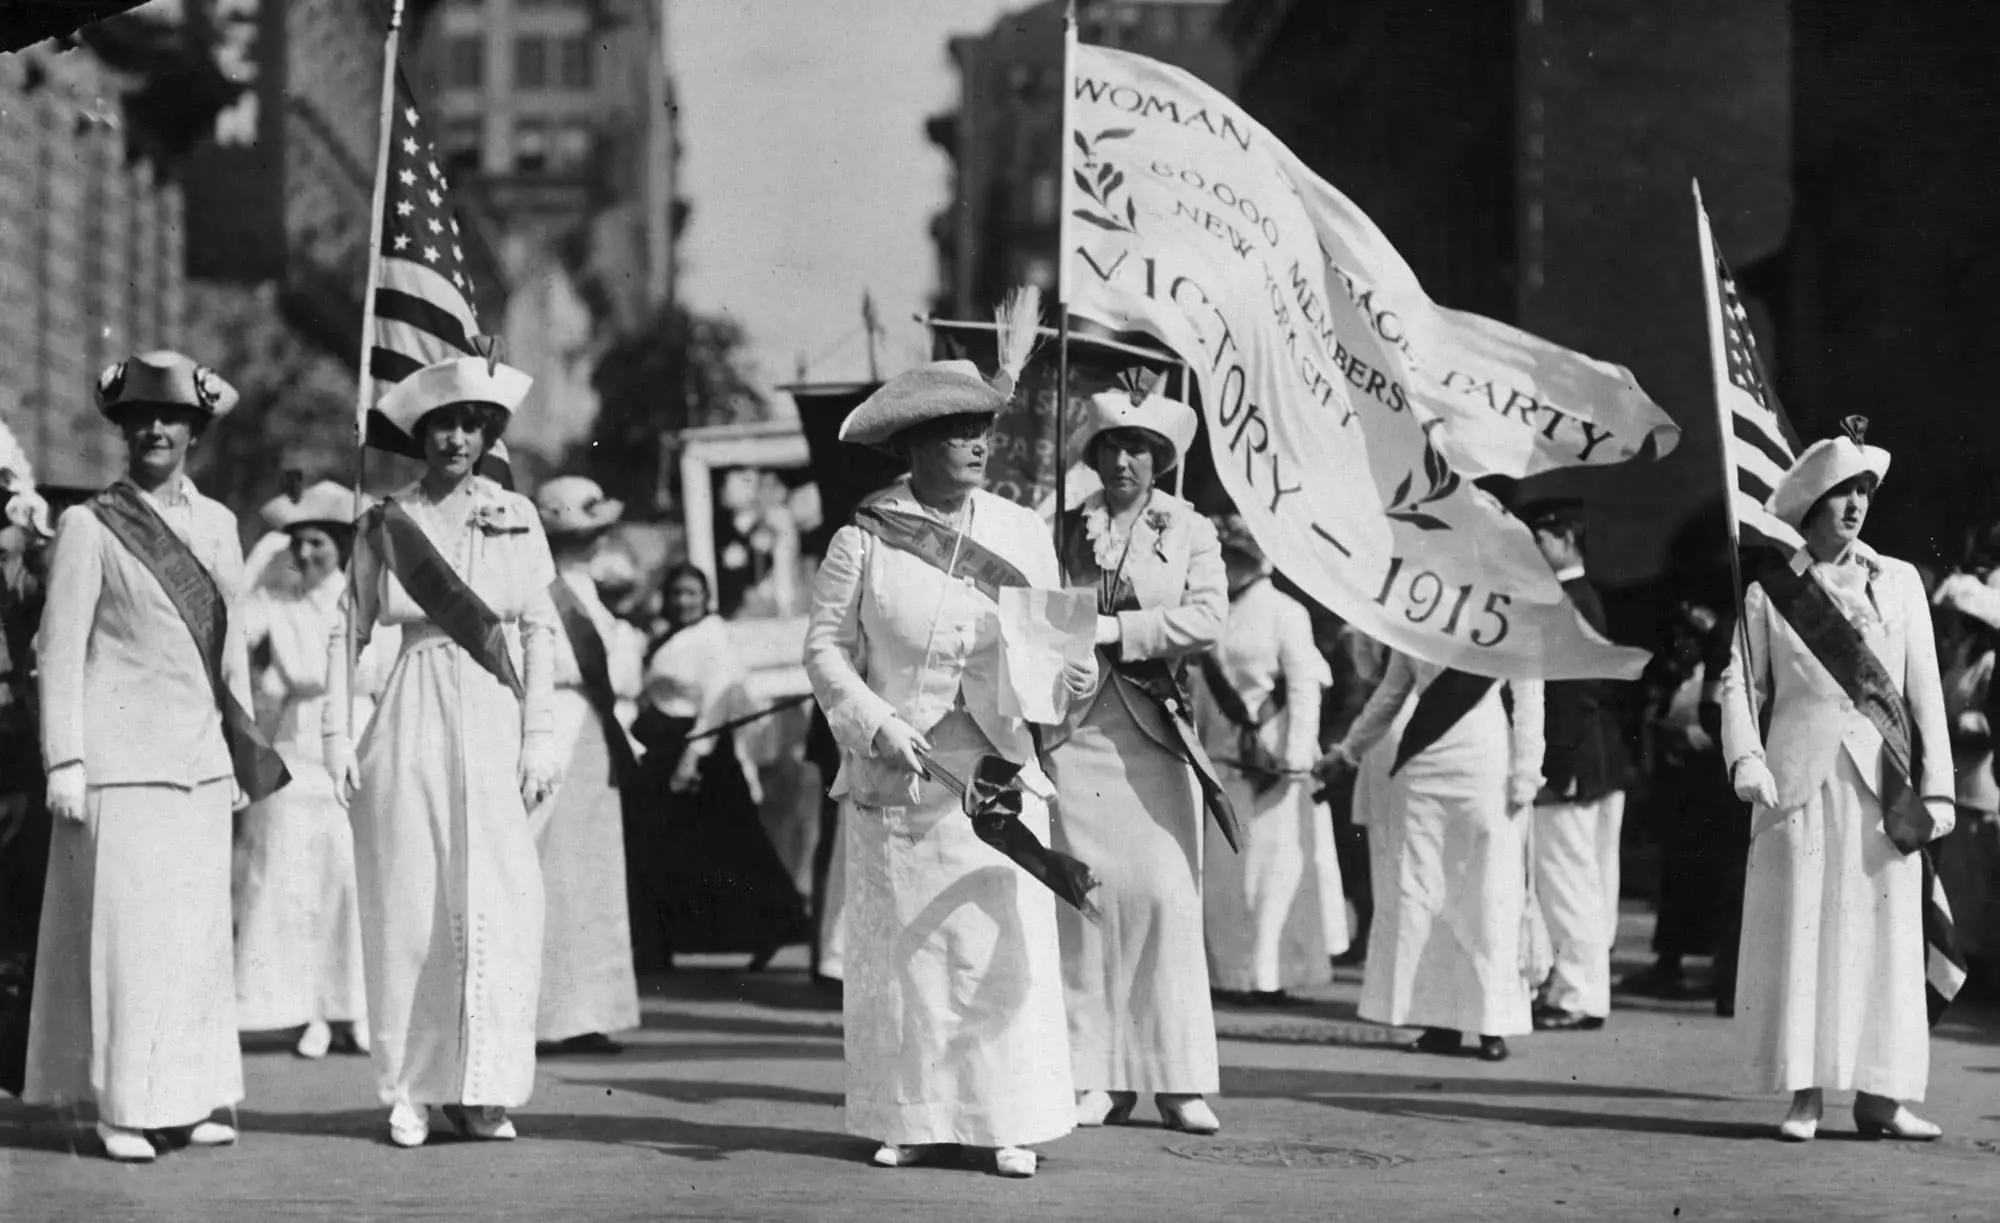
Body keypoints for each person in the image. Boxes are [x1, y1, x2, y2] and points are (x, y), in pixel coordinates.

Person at [803, 342, 1094, 1179]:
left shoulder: (1021, 529)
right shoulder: (864, 538)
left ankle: (1008, 1117)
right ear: (914, 444)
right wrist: (872, 719)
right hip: (903, 770)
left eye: (982, 431)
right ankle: (913, 1116)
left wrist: (1071, 671)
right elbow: (825, 650)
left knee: (1001, 950)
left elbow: (1057, 650)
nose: (977, 445)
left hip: (997, 769)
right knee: (911, 955)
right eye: (958, 432)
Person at [24, 352, 286, 1161]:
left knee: (196, 939)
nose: (156, 430)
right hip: (120, 761)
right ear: (123, 429)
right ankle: (126, 1107)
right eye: (140, 418)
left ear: (196, 431)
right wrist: (63, 759)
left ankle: (190, 1096)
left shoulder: (218, 525)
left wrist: (240, 755)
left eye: (172, 418)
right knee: (130, 942)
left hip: (202, 763)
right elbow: (60, 651)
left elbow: (231, 648)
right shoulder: (89, 525)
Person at [321, 354, 562, 1149]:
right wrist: (335, 731)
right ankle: (413, 1088)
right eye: (440, 425)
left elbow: (537, 630)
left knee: (500, 901)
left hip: (495, 708)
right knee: (410, 900)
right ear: (419, 435)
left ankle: (485, 1086)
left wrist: (540, 735)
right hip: (412, 707)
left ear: (487, 433)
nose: (455, 438)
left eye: (470, 423)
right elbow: (345, 629)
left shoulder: (515, 513)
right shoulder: (385, 520)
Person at [1718, 417, 1953, 1141]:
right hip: (1801, 783)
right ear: (1811, 504)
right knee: (1808, 935)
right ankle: (1806, 1093)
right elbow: (1738, 683)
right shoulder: (1770, 593)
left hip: (1884, 784)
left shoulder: (1903, 581)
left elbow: (1925, 693)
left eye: (1864, 493)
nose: (1856, 506)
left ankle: (1882, 1097)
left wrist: (1938, 788)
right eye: (1842, 493)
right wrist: (1746, 759)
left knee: (1883, 935)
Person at [1047, 380, 1228, 1134]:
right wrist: (1064, 657)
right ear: (1093, 454)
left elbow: (1208, 617)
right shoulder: (1062, 528)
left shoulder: (1188, 527)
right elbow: (1035, 613)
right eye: (1111, 445)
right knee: (1088, 902)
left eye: (1139, 447)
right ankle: (1097, 1075)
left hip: (1155, 733)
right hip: (1078, 734)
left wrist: (1121, 633)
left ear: (1159, 457)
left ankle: (1176, 1078)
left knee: (1163, 898)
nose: (1124, 459)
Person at [1319, 651, 1546, 1061]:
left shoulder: (1507, 609)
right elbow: (1390, 694)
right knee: (1423, 896)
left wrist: (1527, 773)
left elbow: (1530, 696)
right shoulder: (1418, 610)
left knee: (1487, 895)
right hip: (1422, 766)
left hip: (1486, 767)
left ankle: (1492, 1023)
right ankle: (1437, 1021)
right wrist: (1350, 750)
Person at [233, 480, 371, 1060]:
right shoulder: (277, 603)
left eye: (317, 541)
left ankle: (353, 1007)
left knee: (348, 879)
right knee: (292, 877)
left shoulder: (367, 604)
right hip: (296, 747)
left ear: (341, 544)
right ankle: (305, 1010)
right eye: (297, 544)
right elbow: (233, 631)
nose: (306, 554)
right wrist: (261, 559)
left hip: (353, 741)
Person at [1196, 514, 1346, 1004]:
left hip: (1275, 760)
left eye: (1239, 556)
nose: (1231, 566)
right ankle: (1229, 974)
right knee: (1225, 875)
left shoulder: (1286, 611)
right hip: (1222, 756)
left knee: (1273, 875)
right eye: (1225, 556)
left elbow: (1305, 685)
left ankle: (1270, 974)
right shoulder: (1208, 611)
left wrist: (1297, 753)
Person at [631, 563, 805, 971]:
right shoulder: (670, 636)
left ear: (705, 597)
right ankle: (666, 941)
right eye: (676, 593)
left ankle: (774, 926)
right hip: (664, 745)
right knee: (672, 852)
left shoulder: (712, 637)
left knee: (731, 849)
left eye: (691, 593)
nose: (683, 601)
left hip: (699, 753)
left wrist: (691, 761)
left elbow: (715, 704)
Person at [531, 476, 645, 1056]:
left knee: (593, 875)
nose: (593, 542)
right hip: (556, 730)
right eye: (580, 535)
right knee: (554, 870)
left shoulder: (591, 593)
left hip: (593, 732)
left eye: (595, 533)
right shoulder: (542, 592)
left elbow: (625, 673)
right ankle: (547, 1014)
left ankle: (587, 1011)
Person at [1519, 498, 1635, 1032]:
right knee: (1583, 880)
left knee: (1569, 883)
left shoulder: (1571, 600)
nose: (1532, 548)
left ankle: (1577, 994)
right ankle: (1575, 987)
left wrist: (1554, 766)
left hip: (1574, 763)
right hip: (1592, 761)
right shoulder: (1576, 597)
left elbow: (1577, 694)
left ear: (1564, 538)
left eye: (1539, 538)